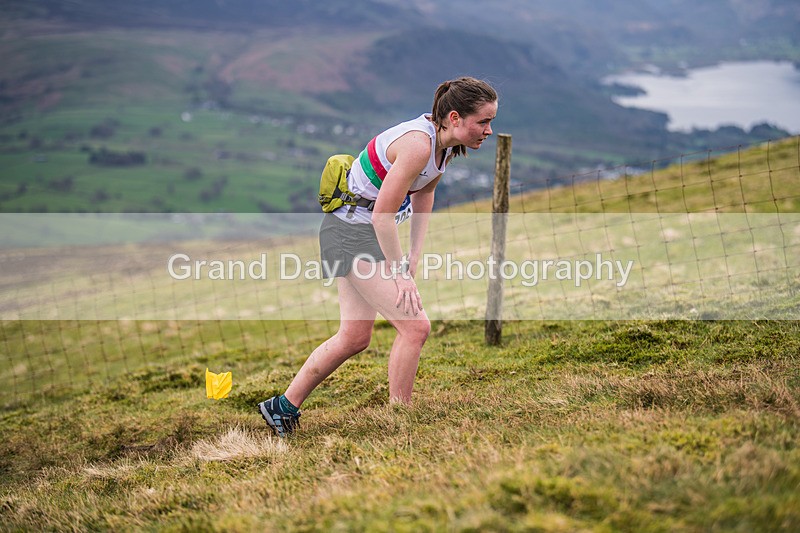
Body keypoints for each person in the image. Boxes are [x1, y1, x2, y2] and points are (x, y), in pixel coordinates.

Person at [258, 76, 498, 437]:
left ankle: (282, 407)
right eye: (483, 122)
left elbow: (423, 195)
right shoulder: (418, 145)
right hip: (350, 236)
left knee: (354, 338)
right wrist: (400, 273)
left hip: (362, 234)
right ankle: (400, 416)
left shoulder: (443, 148)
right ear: (453, 117)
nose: (489, 131)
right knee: (416, 327)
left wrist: (414, 254)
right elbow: (383, 215)